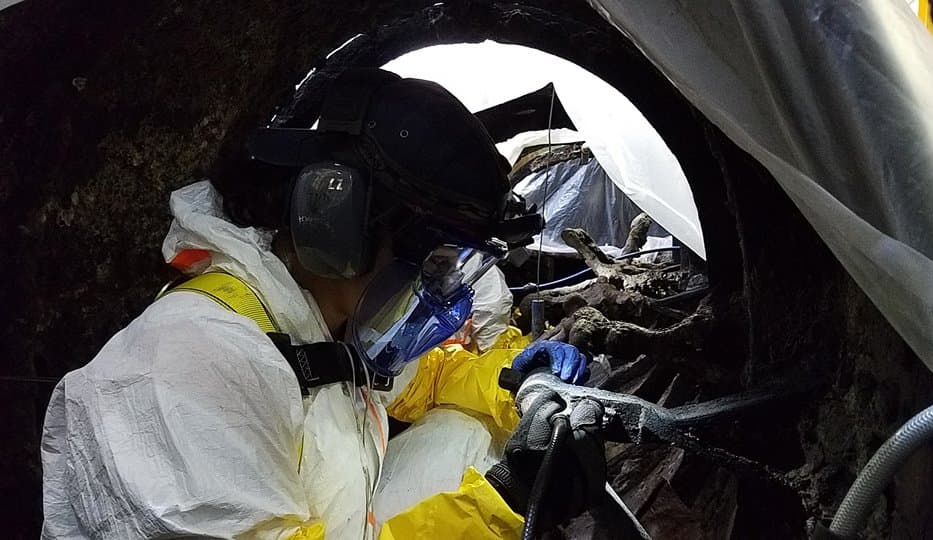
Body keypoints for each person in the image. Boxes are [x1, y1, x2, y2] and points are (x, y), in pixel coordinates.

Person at [40, 66, 602, 539]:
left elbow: (423, 379)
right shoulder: (187, 367)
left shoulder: (315, 325)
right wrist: (501, 503)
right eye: (435, 262)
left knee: (470, 429)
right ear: (340, 230)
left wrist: (518, 386)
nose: (443, 291)